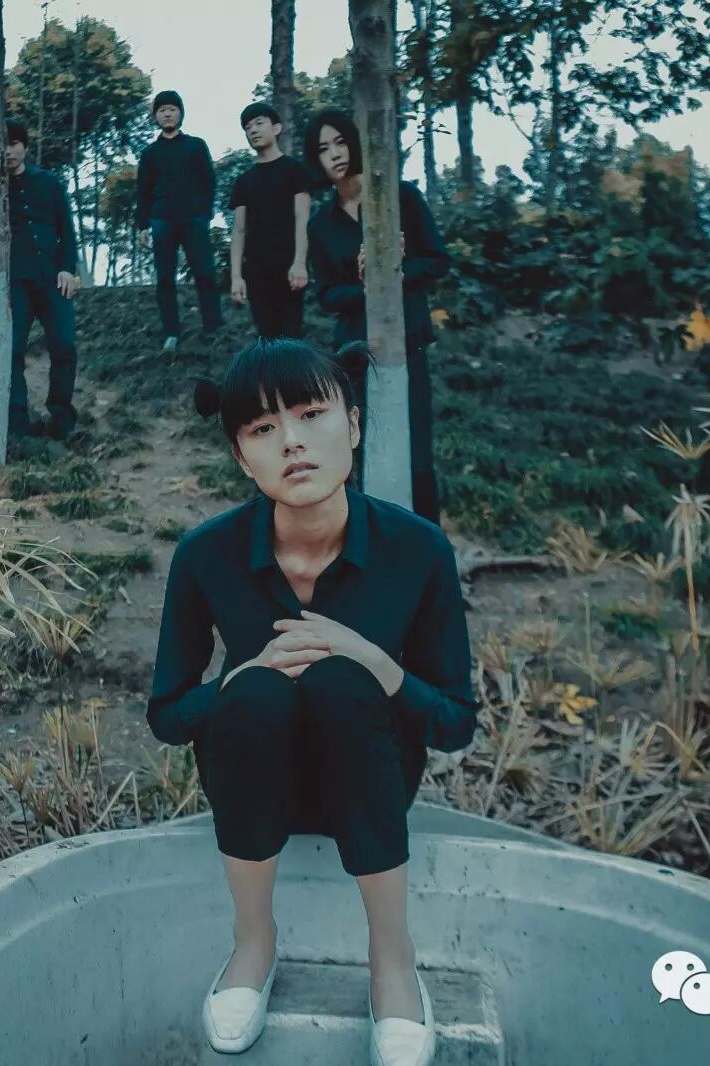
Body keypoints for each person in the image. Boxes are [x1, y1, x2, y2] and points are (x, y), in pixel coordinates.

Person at [147, 338, 476, 1066]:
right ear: (242, 458)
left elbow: (455, 723)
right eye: (263, 428)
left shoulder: (418, 550)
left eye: (310, 414)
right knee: (256, 689)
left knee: (339, 678)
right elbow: (168, 715)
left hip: (373, 788)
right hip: (253, 793)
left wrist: (377, 663)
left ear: (352, 425)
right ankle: (253, 942)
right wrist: (241, 677)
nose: (292, 442)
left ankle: (392, 957)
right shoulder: (205, 555)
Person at [303, 109, 451, 525]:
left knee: (416, 453)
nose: (335, 154)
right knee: (361, 451)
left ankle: (429, 550)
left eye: (340, 142)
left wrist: (395, 273)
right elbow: (327, 296)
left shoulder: (402, 198)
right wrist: (366, 286)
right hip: (355, 352)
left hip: (408, 342)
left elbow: (438, 261)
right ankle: (370, 546)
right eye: (323, 149)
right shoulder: (320, 225)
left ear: (355, 142)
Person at [4, 120, 79, 440]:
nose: (8, 151)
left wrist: (68, 269)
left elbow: (67, 231)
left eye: (14, 144)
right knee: (11, 351)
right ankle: (17, 424)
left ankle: (61, 417)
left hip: (53, 278)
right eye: (3, 145)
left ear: (24, 147)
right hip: (14, 283)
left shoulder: (49, 183)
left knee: (64, 345)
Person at [135, 90, 223, 352]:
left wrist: (204, 214)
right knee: (165, 278)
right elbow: (143, 191)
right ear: (156, 116)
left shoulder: (196, 146)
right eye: (162, 110)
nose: (167, 114)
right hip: (162, 220)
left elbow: (209, 181)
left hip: (193, 219)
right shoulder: (149, 153)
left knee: (204, 272)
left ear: (181, 113)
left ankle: (213, 326)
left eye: (172, 109)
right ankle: (171, 332)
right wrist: (143, 225)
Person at [228, 102, 311, 339]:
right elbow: (239, 231)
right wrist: (236, 277)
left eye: (259, 123)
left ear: (276, 128)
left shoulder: (295, 170)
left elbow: (302, 219)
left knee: (292, 338)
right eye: (247, 127)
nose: (253, 130)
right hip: (257, 272)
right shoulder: (244, 181)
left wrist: (300, 262)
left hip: (289, 268)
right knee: (267, 339)